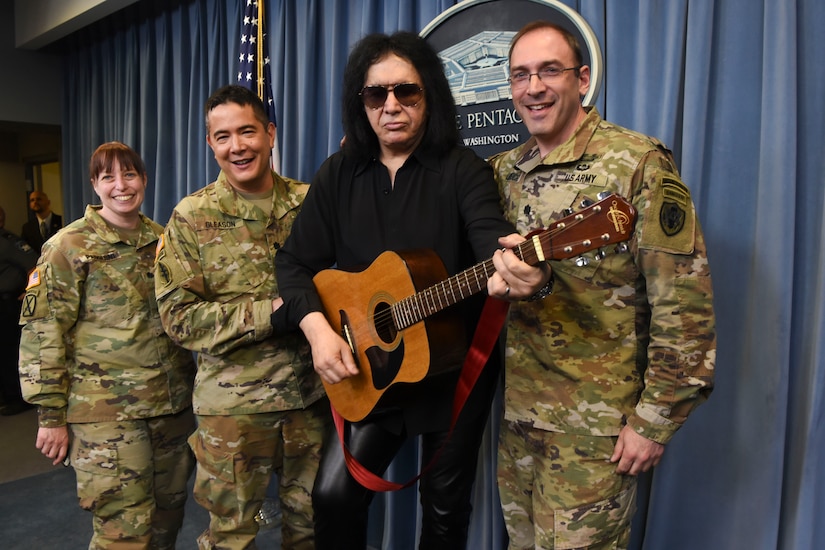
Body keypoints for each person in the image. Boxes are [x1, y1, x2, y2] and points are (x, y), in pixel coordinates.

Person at [272, 31, 549, 549]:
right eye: (376, 94)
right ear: (361, 102)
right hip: (369, 366)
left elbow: (490, 237)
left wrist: (518, 267)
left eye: (407, 92)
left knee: (444, 508)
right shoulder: (339, 173)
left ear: (430, 97)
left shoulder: (462, 170)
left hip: (452, 367)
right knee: (333, 496)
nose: (391, 106)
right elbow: (292, 263)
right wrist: (318, 332)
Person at [488, 21, 717, 549]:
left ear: (583, 79)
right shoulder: (504, 171)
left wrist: (655, 420)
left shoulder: (637, 164)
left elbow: (684, 305)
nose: (534, 87)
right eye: (520, 75)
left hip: (597, 429)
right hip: (519, 418)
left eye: (550, 70)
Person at [153, 84, 330, 550]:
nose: (238, 147)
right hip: (233, 409)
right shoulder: (191, 217)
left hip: (311, 397)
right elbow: (179, 318)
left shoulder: (312, 202)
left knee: (310, 527)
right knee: (232, 536)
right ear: (210, 144)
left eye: (248, 132)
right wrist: (270, 314)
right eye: (224, 136)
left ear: (270, 134)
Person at [18, 141, 197, 549]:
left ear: (144, 180)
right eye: (108, 177)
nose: (121, 185)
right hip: (106, 417)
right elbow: (43, 331)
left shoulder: (164, 240)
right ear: (95, 185)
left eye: (129, 174)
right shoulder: (67, 247)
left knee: (167, 524)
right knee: (123, 534)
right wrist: (50, 415)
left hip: (170, 409)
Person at [0, 205, 37, 415]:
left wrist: (29, 292)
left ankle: (18, 398)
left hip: (7, 304)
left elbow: (36, 265)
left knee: (9, 353)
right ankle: (6, 395)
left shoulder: (8, 241)